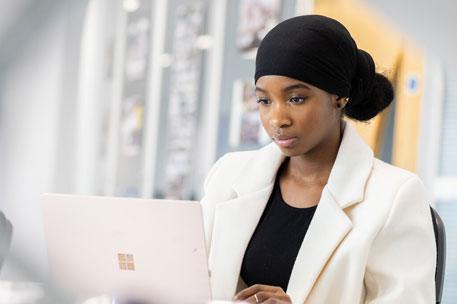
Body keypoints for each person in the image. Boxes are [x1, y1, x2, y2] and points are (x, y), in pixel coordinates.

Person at [200, 15, 436, 304]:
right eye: (264, 101)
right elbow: (190, 284)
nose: (277, 119)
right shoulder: (228, 174)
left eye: (296, 98)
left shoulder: (394, 196)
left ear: (339, 98)